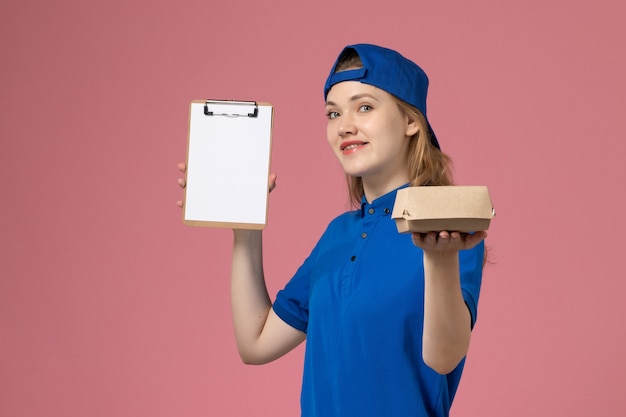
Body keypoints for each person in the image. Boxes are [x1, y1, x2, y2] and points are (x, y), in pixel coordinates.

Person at [177, 43, 487, 417]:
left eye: (365, 107)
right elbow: (255, 344)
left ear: (411, 121)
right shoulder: (337, 236)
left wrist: (439, 259)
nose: (344, 126)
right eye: (333, 113)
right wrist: (246, 226)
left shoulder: (449, 226)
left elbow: (444, 358)